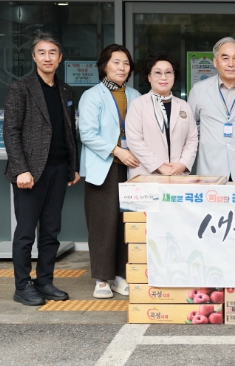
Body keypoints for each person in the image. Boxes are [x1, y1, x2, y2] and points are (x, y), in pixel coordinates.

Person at [3, 30, 80, 306]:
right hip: (30, 173)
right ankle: (22, 285)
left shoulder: (66, 90)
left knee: (51, 231)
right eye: (42, 53)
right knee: (25, 232)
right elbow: (11, 131)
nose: (47, 57)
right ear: (34, 57)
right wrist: (21, 169)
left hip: (58, 169)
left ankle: (44, 281)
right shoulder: (20, 88)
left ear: (60, 58)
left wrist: (73, 166)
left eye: (52, 53)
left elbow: (69, 132)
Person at [79, 44, 141, 299]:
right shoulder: (92, 95)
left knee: (127, 223)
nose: (122, 68)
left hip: (132, 168)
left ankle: (121, 275)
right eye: (116, 62)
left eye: (126, 63)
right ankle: (102, 279)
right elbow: (87, 133)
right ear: (104, 66)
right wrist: (117, 151)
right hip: (104, 167)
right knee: (103, 224)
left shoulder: (136, 95)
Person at [188, 37, 235, 182]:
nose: (231, 64)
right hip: (210, 169)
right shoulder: (199, 90)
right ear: (215, 62)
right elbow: (190, 128)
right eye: (225, 58)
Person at [126, 52, 198, 177]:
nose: (163, 77)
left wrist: (182, 164)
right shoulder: (138, 105)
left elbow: (192, 139)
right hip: (146, 175)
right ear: (149, 77)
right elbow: (135, 141)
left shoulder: (184, 106)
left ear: (174, 76)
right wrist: (159, 166)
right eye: (157, 73)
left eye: (168, 72)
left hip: (177, 174)